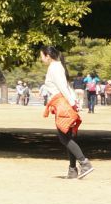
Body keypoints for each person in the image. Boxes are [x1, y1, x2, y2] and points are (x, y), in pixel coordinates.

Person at [40, 45, 93, 179]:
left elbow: (63, 87)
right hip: (62, 102)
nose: (41, 59)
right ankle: (72, 170)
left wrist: (72, 102)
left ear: (47, 55)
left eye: (41, 55)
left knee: (64, 137)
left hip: (62, 103)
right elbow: (67, 86)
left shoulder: (54, 67)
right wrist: (74, 101)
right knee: (68, 137)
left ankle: (84, 163)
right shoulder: (57, 66)